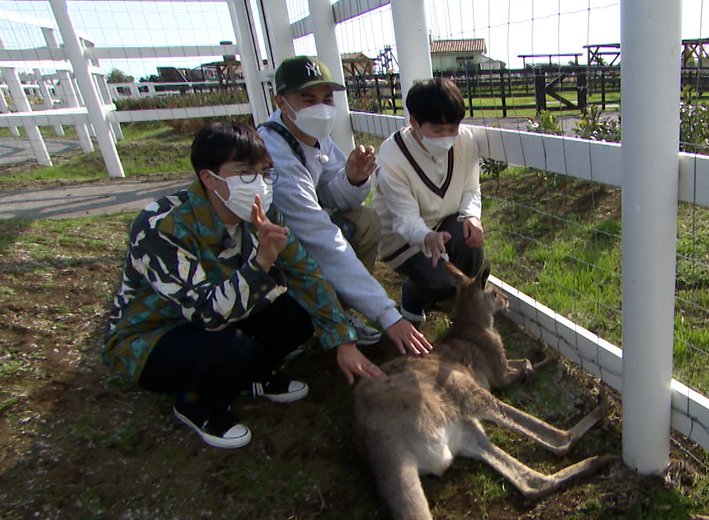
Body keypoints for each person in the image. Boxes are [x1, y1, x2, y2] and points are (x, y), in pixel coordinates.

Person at [104, 121, 384, 450]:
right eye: (245, 171)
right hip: (155, 336)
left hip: (229, 314)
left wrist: (342, 338)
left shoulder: (266, 213)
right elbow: (208, 314)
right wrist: (262, 262)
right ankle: (198, 405)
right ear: (208, 178)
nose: (260, 183)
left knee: (298, 312)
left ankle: (252, 375)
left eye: (266, 172)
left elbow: (306, 275)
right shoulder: (161, 226)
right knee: (231, 347)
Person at [259, 55, 431, 355]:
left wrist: (353, 178)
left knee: (364, 220)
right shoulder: (275, 154)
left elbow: (335, 196)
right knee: (325, 254)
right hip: (271, 247)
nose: (321, 108)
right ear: (280, 102)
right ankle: (317, 319)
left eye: (327, 98)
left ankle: (340, 309)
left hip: (296, 233)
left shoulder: (313, 137)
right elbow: (321, 237)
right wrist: (386, 312)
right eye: (308, 99)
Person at [373, 77, 485, 326]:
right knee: (440, 282)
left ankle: (462, 308)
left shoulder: (465, 141)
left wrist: (472, 216)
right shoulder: (393, 155)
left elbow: (470, 188)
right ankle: (413, 295)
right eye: (437, 130)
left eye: (452, 128)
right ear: (414, 122)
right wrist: (426, 237)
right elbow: (404, 218)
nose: (447, 137)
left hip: (444, 225)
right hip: (403, 239)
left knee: (472, 245)